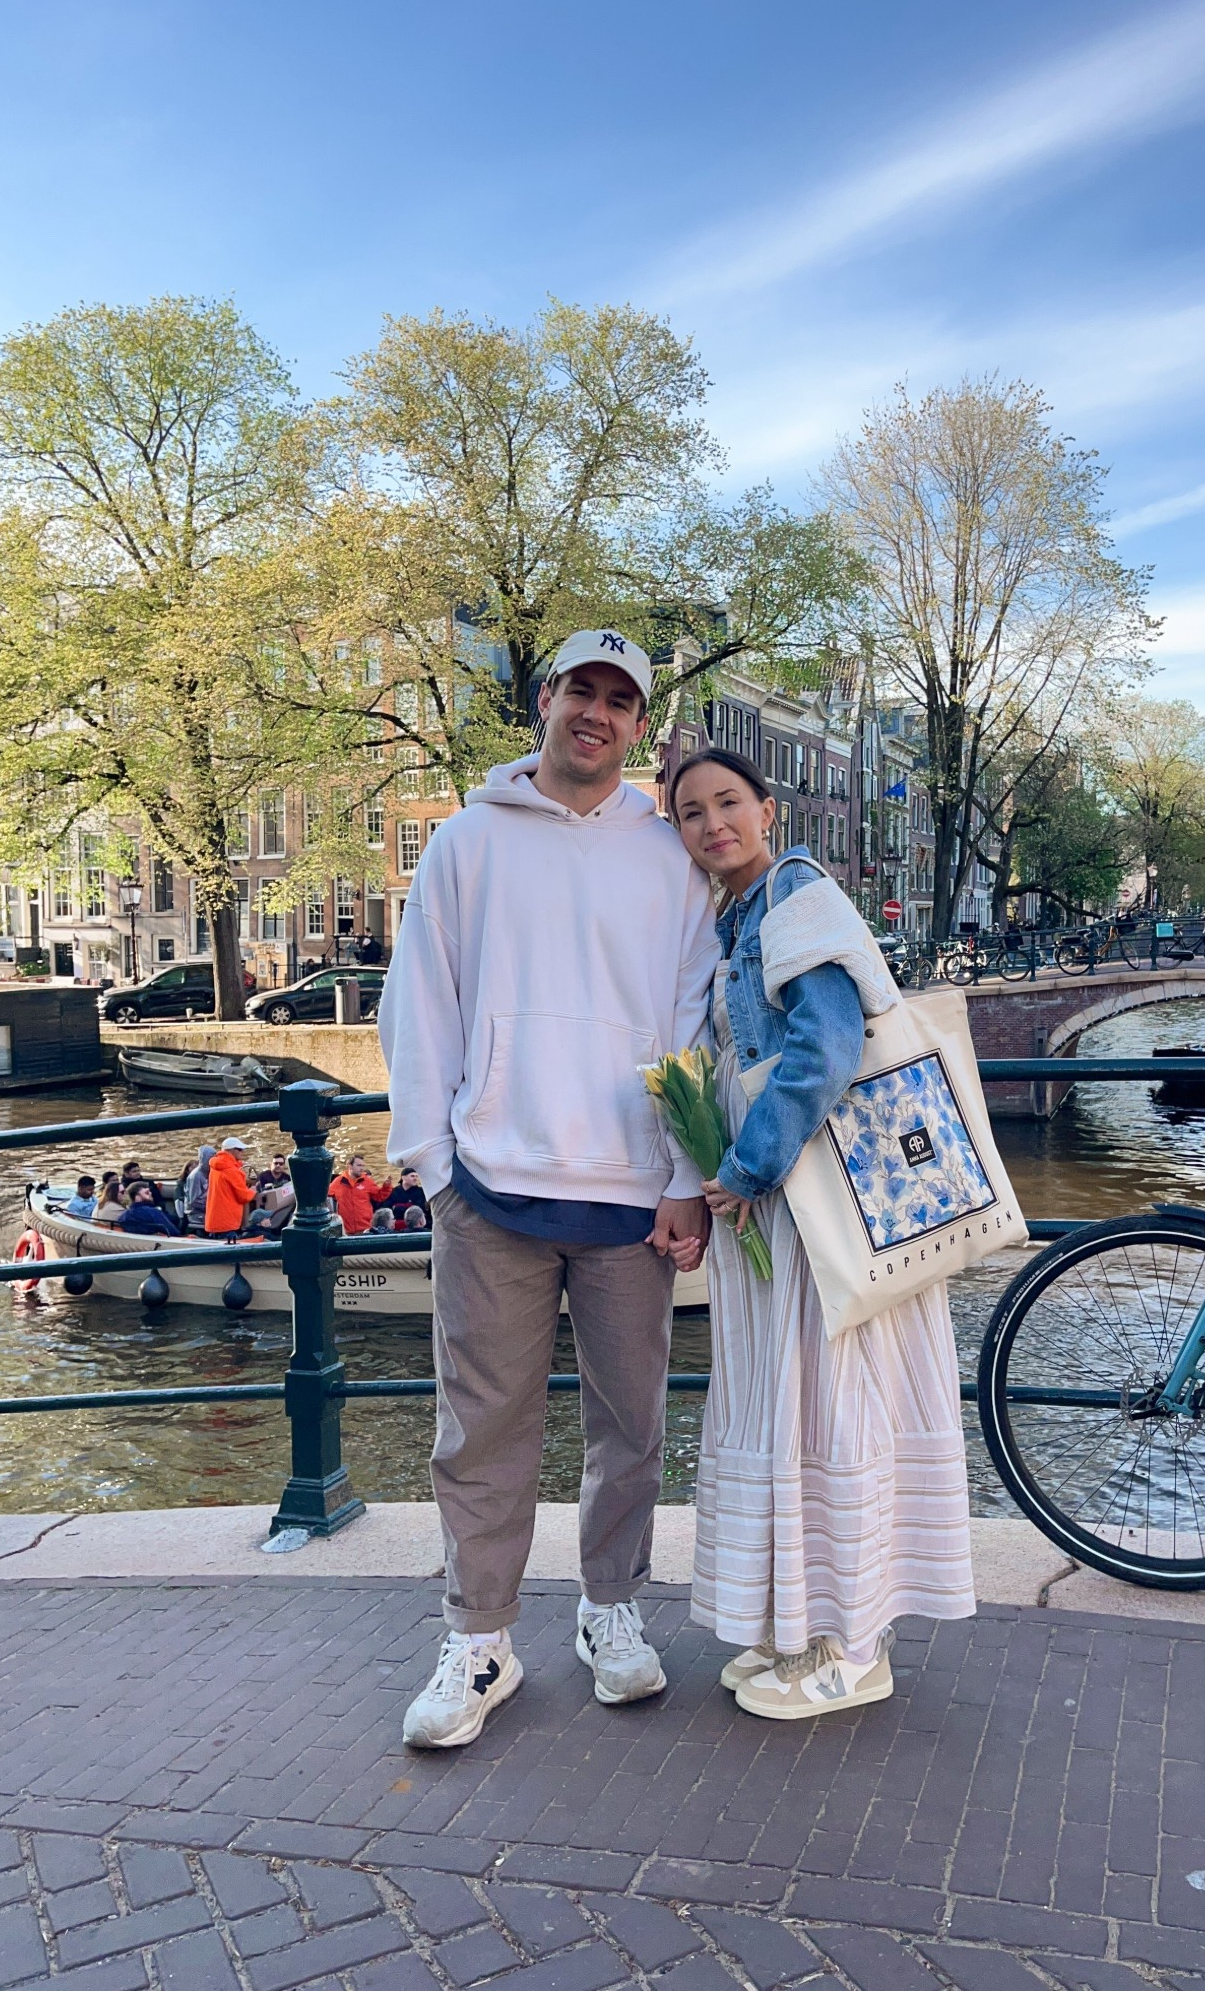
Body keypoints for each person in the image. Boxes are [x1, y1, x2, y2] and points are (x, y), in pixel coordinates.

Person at [379, 626, 716, 1750]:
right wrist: (435, 1165)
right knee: (481, 1427)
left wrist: (684, 1175)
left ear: (639, 725)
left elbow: (693, 1019)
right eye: (583, 689)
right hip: (492, 1186)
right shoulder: (468, 842)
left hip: (630, 1195)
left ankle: (609, 1608)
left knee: (632, 1422)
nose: (598, 713)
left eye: (621, 700)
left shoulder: (669, 859)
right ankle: (480, 1637)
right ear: (546, 699)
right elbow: (419, 998)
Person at [671, 748, 975, 1721]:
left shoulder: (797, 896)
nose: (713, 823)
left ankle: (857, 1646)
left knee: (837, 1402)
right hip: (791, 1211)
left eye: (728, 802)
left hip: (823, 1203)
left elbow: (829, 1045)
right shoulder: (737, 919)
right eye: (690, 812)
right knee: (800, 1406)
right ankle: (803, 1625)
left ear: (769, 809)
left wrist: (748, 1166)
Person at [328, 1154, 395, 1234]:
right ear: (350, 1166)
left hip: (365, 1228)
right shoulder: (338, 1182)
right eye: (359, 1165)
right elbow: (324, 1196)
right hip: (345, 1229)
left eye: (363, 1166)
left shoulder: (367, 1181)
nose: (362, 1168)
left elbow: (379, 1196)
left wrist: (386, 1186)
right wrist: (331, 1212)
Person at [204, 1138, 257, 1239]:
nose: (242, 1151)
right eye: (239, 1149)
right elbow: (243, 1197)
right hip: (227, 1223)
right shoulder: (232, 1171)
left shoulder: (216, 1166)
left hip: (214, 1221)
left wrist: (239, 1165)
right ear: (230, 1151)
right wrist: (253, 1190)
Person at [184, 1144, 217, 1234]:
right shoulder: (195, 1176)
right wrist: (212, 1207)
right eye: (211, 1159)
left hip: (207, 1210)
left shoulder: (210, 1174)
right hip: (196, 1214)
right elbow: (194, 1201)